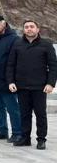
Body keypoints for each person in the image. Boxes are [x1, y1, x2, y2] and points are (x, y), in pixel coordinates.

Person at [7, 20, 57, 149]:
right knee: (24, 114)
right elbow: (11, 64)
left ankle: (41, 139)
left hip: (39, 86)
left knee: (40, 115)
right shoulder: (17, 44)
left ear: (37, 29)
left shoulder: (46, 45)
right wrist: (11, 81)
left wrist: (50, 83)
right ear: (23, 30)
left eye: (32, 27)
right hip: (22, 86)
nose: (29, 29)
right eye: (26, 27)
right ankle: (25, 138)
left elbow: (53, 66)